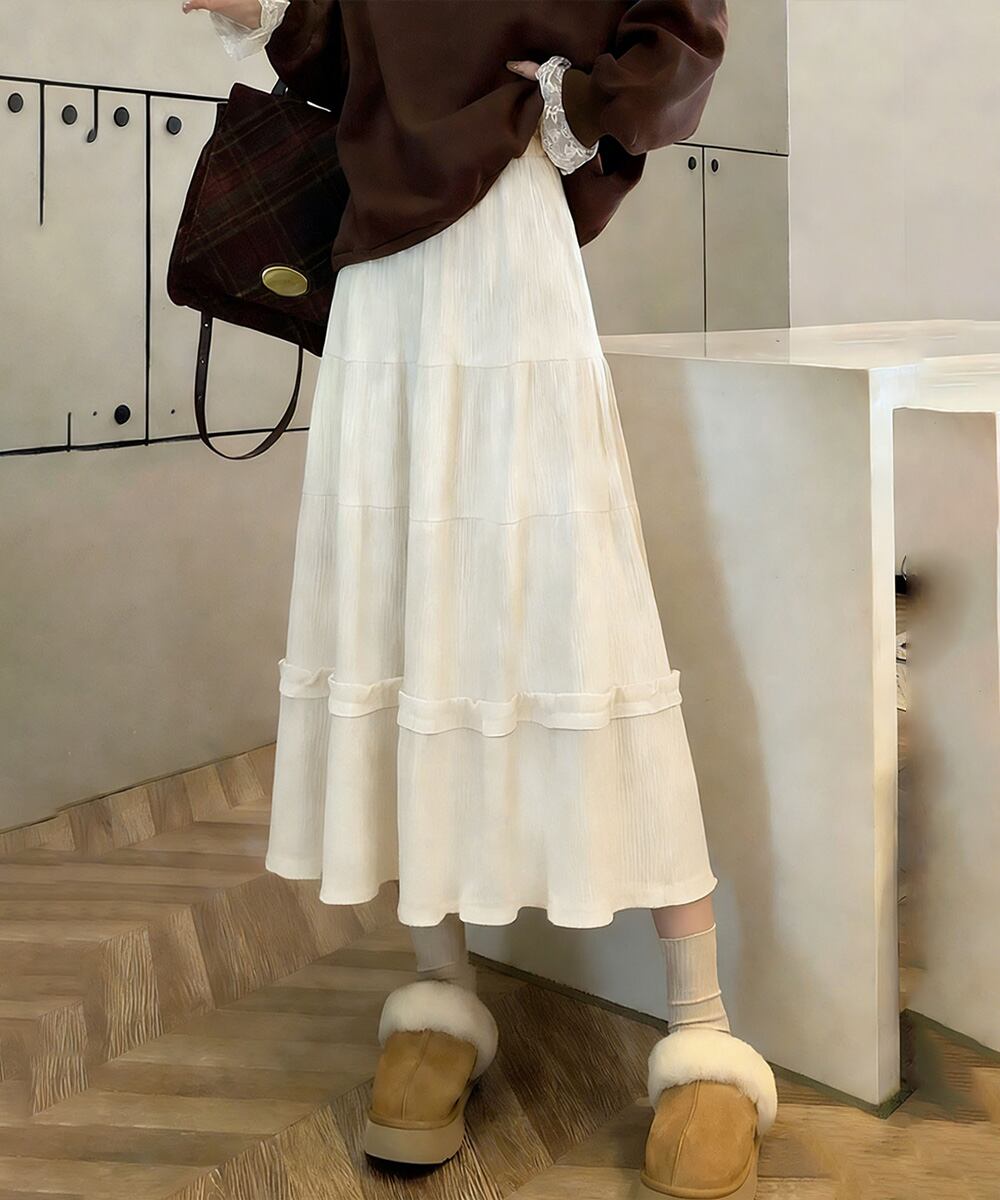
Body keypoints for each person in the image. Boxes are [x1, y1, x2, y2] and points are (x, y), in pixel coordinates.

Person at [183, 2, 777, 1195]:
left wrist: (566, 108)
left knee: (584, 608)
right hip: (378, 275)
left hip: (510, 245)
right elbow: (350, 57)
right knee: (407, 611)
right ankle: (439, 992)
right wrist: (268, 12)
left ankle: (700, 1028)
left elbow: (680, 40)